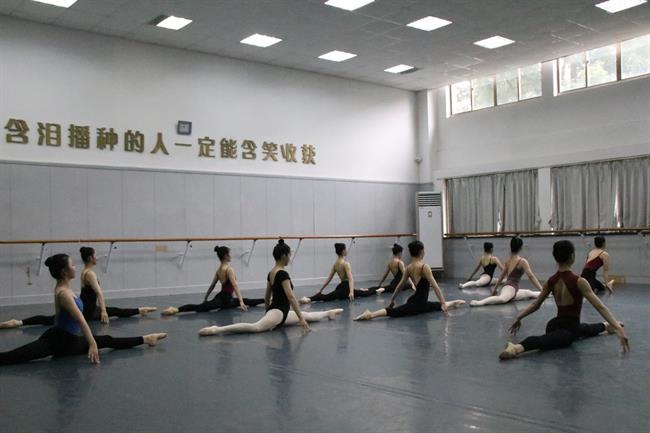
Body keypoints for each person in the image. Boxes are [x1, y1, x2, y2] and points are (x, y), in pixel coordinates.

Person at [0, 254, 166, 365]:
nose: (75, 267)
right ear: (64, 272)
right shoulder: (64, 293)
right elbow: (81, 320)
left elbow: (61, 317)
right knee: (10, 358)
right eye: (72, 265)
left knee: (107, 339)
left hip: (67, 339)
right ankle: (146, 339)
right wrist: (92, 343)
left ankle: (146, 339)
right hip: (58, 341)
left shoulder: (66, 288)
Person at [498, 240, 629, 360]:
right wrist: (619, 329)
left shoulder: (551, 280)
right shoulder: (579, 281)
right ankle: (517, 347)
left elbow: (536, 304)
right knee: (561, 337)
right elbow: (600, 307)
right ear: (572, 257)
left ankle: (606, 326)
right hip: (569, 330)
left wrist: (519, 317)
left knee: (583, 329)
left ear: (555, 257)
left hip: (554, 324)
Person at [198, 240, 343, 336]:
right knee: (256, 327)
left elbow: (267, 295)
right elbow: (291, 297)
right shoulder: (283, 274)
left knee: (308, 315)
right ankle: (217, 329)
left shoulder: (271, 272)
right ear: (283, 256)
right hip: (278, 312)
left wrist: (267, 310)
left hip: (280, 312)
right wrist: (299, 319)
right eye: (289, 255)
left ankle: (328, 313)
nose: (290, 258)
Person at [1, 246, 156, 329]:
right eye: (95, 255)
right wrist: (103, 311)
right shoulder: (90, 274)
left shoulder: (85, 272)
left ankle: (19, 322)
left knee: (50, 319)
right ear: (90, 258)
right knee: (113, 311)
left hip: (89, 307)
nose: (96, 257)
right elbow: (99, 293)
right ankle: (19, 322)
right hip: (87, 310)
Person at [354, 241, 465, 321]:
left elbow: (399, 286)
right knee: (396, 312)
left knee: (435, 306)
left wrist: (392, 299)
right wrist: (443, 304)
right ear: (421, 251)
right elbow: (435, 286)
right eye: (424, 250)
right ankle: (370, 314)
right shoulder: (424, 267)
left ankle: (454, 302)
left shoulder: (409, 267)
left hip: (418, 302)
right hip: (416, 304)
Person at [162, 245, 264, 316]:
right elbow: (235, 285)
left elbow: (212, 286)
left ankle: (176, 309)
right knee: (201, 308)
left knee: (201, 307)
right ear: (226, 256)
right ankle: (175, 309)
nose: (231, 256)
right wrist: (241, 302)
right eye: (229, 254)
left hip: (224, 299)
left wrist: (205, 298)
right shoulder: (229, 269)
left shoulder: (219, 270)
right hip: (225, 300)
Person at [469, 237, 542, 307]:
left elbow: (502, 276)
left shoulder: (509, 261)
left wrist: (495, 289)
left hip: (513, 290)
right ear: (521, 248)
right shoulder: (522, 261)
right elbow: (531, 276)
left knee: (530, 293)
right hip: (509, 288)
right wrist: (495, 289)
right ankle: (480, 302)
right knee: (502, 299)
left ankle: (546, 293)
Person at [300, 243, 380, 304]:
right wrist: (351, 292)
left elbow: (329, 279)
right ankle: (378, 288)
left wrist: (321, 289)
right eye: (345, 249)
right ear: (343, 251)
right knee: (366, 293)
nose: (346, 251)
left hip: (341, 287)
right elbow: (350, 279)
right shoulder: (346, 264)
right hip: (345, 288)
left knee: (328, 297)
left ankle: (309, 298)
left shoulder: (335, 264)